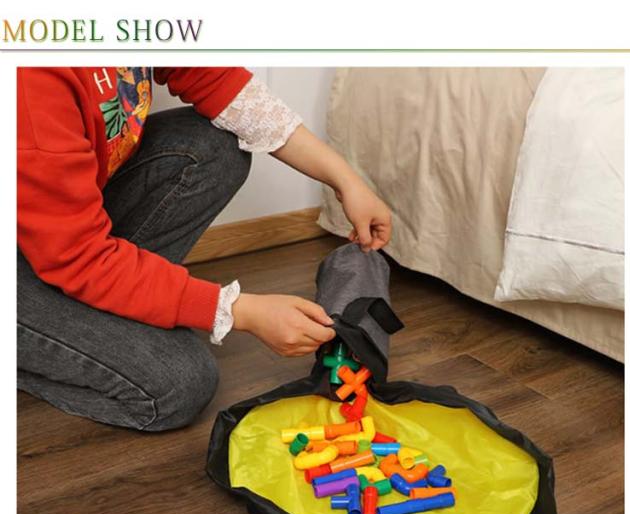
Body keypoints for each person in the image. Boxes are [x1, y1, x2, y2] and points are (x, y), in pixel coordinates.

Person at [17, 67, 392, 431]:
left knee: (215, 147)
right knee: (179, 384)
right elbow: (81, 257)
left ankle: (106, 309)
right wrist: (237, 310)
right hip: (38, 252)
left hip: (59, 229)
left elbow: (218, 81)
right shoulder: (31, 79)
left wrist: (345, 180)